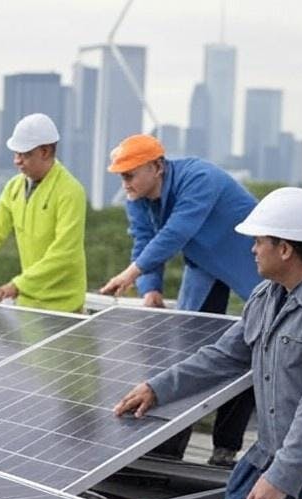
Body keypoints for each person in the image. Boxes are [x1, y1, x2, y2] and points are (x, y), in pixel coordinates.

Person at [114, 188, 302, 499]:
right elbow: (222, 358)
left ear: (285, 249)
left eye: (259, 242)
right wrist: (158, 388)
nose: (253, 250)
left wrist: (282, 478)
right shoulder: (265, 297)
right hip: (271, 453)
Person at [100, 134, 260, 467]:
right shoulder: (137, 198)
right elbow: (144, 239)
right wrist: (150, 287)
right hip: (203, 264)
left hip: (247, 259)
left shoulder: (199, 178)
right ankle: (168, 446)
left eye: (129, 174)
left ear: (156, 167)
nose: (124, 183)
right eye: (121, 176)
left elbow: (176, 232)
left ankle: (225, 449)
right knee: (185, 349)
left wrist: (130, 274)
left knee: (253, 343)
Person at [0, 113, 86, 313]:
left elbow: (65, 253)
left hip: (64, 307)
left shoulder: (71, 191)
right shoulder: (14, 187)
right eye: (16, 154)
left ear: (45, 151)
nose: (17, 161)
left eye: (25, 154)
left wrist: (19, 285)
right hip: (29, 301)